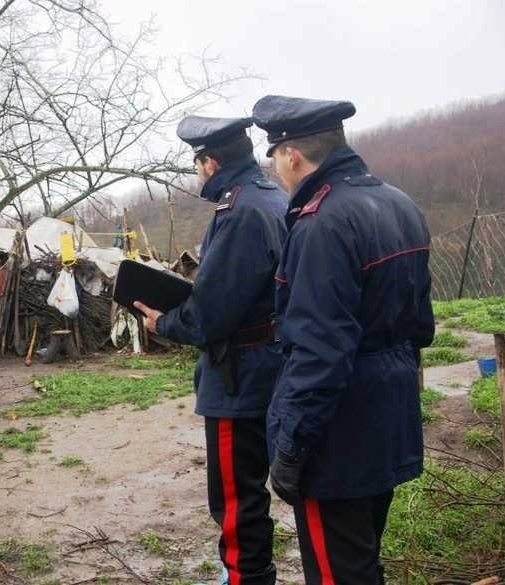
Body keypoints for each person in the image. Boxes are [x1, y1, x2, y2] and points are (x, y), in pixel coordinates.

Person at [252, 95, 435, 585]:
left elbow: (318, 351)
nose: (274, 171)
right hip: (389, 417)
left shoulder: (321, 223)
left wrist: (292, 445)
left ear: (291, 153)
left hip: (338, 435)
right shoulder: (399, 203)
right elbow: (421, 325)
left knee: (339, 573)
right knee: (361, 559)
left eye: (273, 158)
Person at [134, 115, 288, 585]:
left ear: (210, 161)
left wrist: (164, 321)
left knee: (236, 494)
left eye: (197, 163)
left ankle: (247, 578)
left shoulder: (238, 211)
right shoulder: (274, 198)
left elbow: (212, 313)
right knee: (254, 485)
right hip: (273, 361)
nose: (198, 173)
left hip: (238, 375)